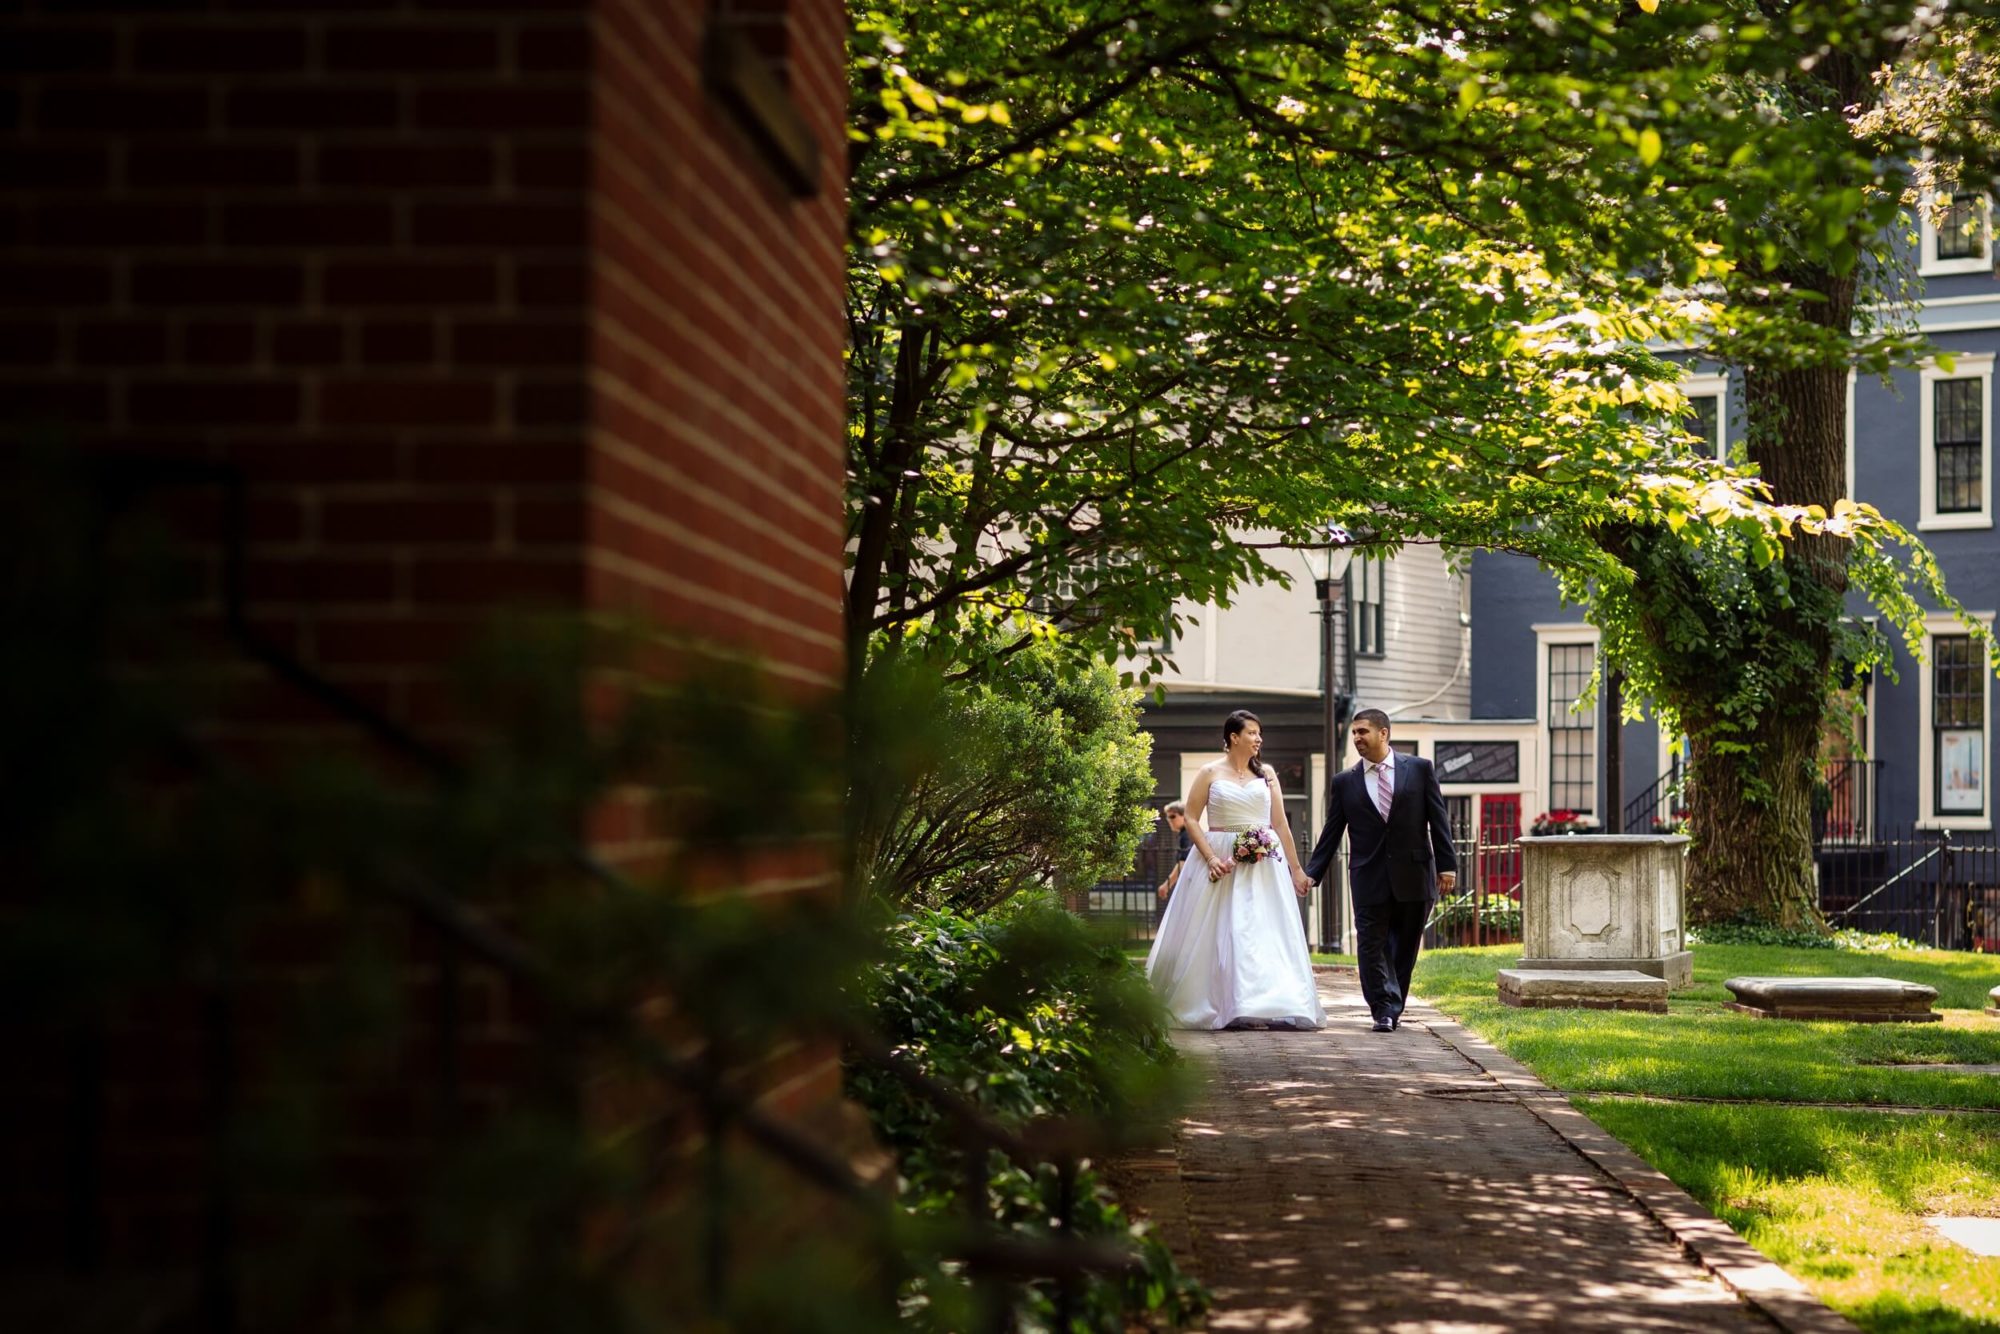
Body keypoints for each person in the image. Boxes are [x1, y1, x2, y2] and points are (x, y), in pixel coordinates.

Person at [1145, 710, 1326, 1030]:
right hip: (1220, 858)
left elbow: (1280, 823)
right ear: (1234, 737)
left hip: (1263, 863)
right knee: (1222, 930)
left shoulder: (1267, 773)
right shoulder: (1209, 772)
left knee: (1261, 929)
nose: (1259, 739)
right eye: (1253, 733)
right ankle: (1221, 1002)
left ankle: (1266, 1001)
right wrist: (1212, 858)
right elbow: (1190, 818)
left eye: (1260, 733)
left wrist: (1296, 870)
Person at [1303, 708, 1457, 1032]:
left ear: (1383, 733)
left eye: (1363, 732)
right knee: (1371, 944)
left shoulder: (1419, 769)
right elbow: (1332, 831)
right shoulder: (1345, 782)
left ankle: (1393, 1002)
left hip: (1414, 874)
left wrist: (1447, 866)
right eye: (1355, 733)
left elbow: (1438, 820)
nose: (1357, 738)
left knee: (1405, 945)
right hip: (1368, 876)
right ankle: (1382, 1010)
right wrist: (1313, 872)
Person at [1153, 800, 1190, 925]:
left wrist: (1166, 885)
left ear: (1184, 815)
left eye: (1173, 816)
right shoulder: (1184, 834)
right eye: (1168, 817)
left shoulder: (1187, 835)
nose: (1169, 820)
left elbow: (1183, 863)